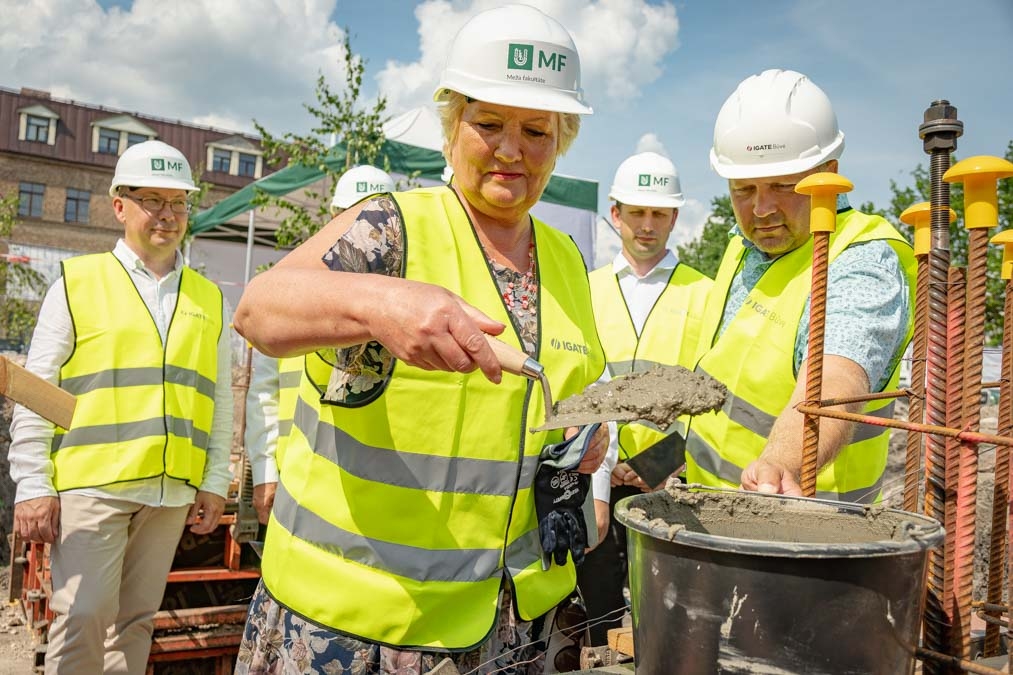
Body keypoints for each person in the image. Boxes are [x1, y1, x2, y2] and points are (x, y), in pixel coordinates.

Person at [231, 5, 613, 673]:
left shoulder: (566, 261)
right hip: (359, 623)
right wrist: (381, 302)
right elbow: (258, 311)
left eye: (536, 131)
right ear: (452, 125)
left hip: (511, 617)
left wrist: (580, 442)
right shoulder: (389, 229)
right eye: (488, 124)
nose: (511, 149)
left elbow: (562, 396)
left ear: (561, 142)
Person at [9, 139, 234, 674]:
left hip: (170, 492)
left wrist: (214, 480)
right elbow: (35, 389)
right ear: (119, 206)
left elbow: (219, 398)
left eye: (178, 202)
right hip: (94, 485)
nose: (168, 215)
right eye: (152, 200)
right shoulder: (77, 282)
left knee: (135, 623)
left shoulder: (209, 297)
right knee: (82, 615)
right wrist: (33, 483)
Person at [686, 69, 916, 502]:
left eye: (783, 186)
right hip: (711, 509)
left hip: (807, 521)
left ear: (829, 172)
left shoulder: (861, 260)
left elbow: (837, 375)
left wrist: (781, 463)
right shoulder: (741, 247)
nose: (761, 209)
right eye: (743, 189)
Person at [577, 151, 712, 645]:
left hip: (668, 480)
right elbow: (580, 384)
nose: (648, 225)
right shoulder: (585, 289)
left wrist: (660, 462)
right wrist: (602, 465)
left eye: (659, 213)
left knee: (668, 609)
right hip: (596, 473)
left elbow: (711, 393)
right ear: (616, 214)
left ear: (675, 217)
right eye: (637, 212)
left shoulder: (704, 293)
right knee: (597, 607)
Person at [245, 164, 396, 525]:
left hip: (372, 486)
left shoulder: (409, 302)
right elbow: (264, 393)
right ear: (332, 217)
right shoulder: (291, 289)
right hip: (295, 474)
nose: (363, 230)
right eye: (352, 215)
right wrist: (265, 472)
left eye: (374, 218)